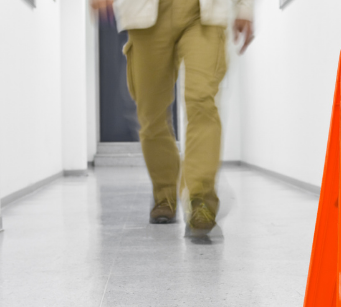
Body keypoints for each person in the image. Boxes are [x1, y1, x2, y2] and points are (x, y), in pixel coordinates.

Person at [91, 0, 254, 232]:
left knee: (202, 101)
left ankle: (200, 199)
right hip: (144, 13)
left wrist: (244, 6)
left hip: (204, 12)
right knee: (151, 113)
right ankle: (164, 193)